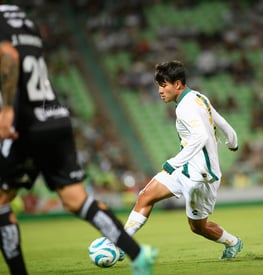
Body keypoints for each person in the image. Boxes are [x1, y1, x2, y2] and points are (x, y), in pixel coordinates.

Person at [0, 4, 157, 275]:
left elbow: (9, 56)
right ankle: (138, 254)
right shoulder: (24, 20)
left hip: (24, 122)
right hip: (55, 116)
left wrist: (7, 110)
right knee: (76, 199)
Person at [111, 60, 242, 261]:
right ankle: (122, 245)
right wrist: (232, 140)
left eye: (164, 85)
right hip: (186, 169)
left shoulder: (185, 107)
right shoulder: (199, 97)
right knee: (145, 196)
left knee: (198, 227)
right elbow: (220, 121)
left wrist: (174, 162)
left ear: (178, 84)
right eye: (158, 86)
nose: (160, 91)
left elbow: (201, 137)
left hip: (201, 177)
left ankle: (232, 242)